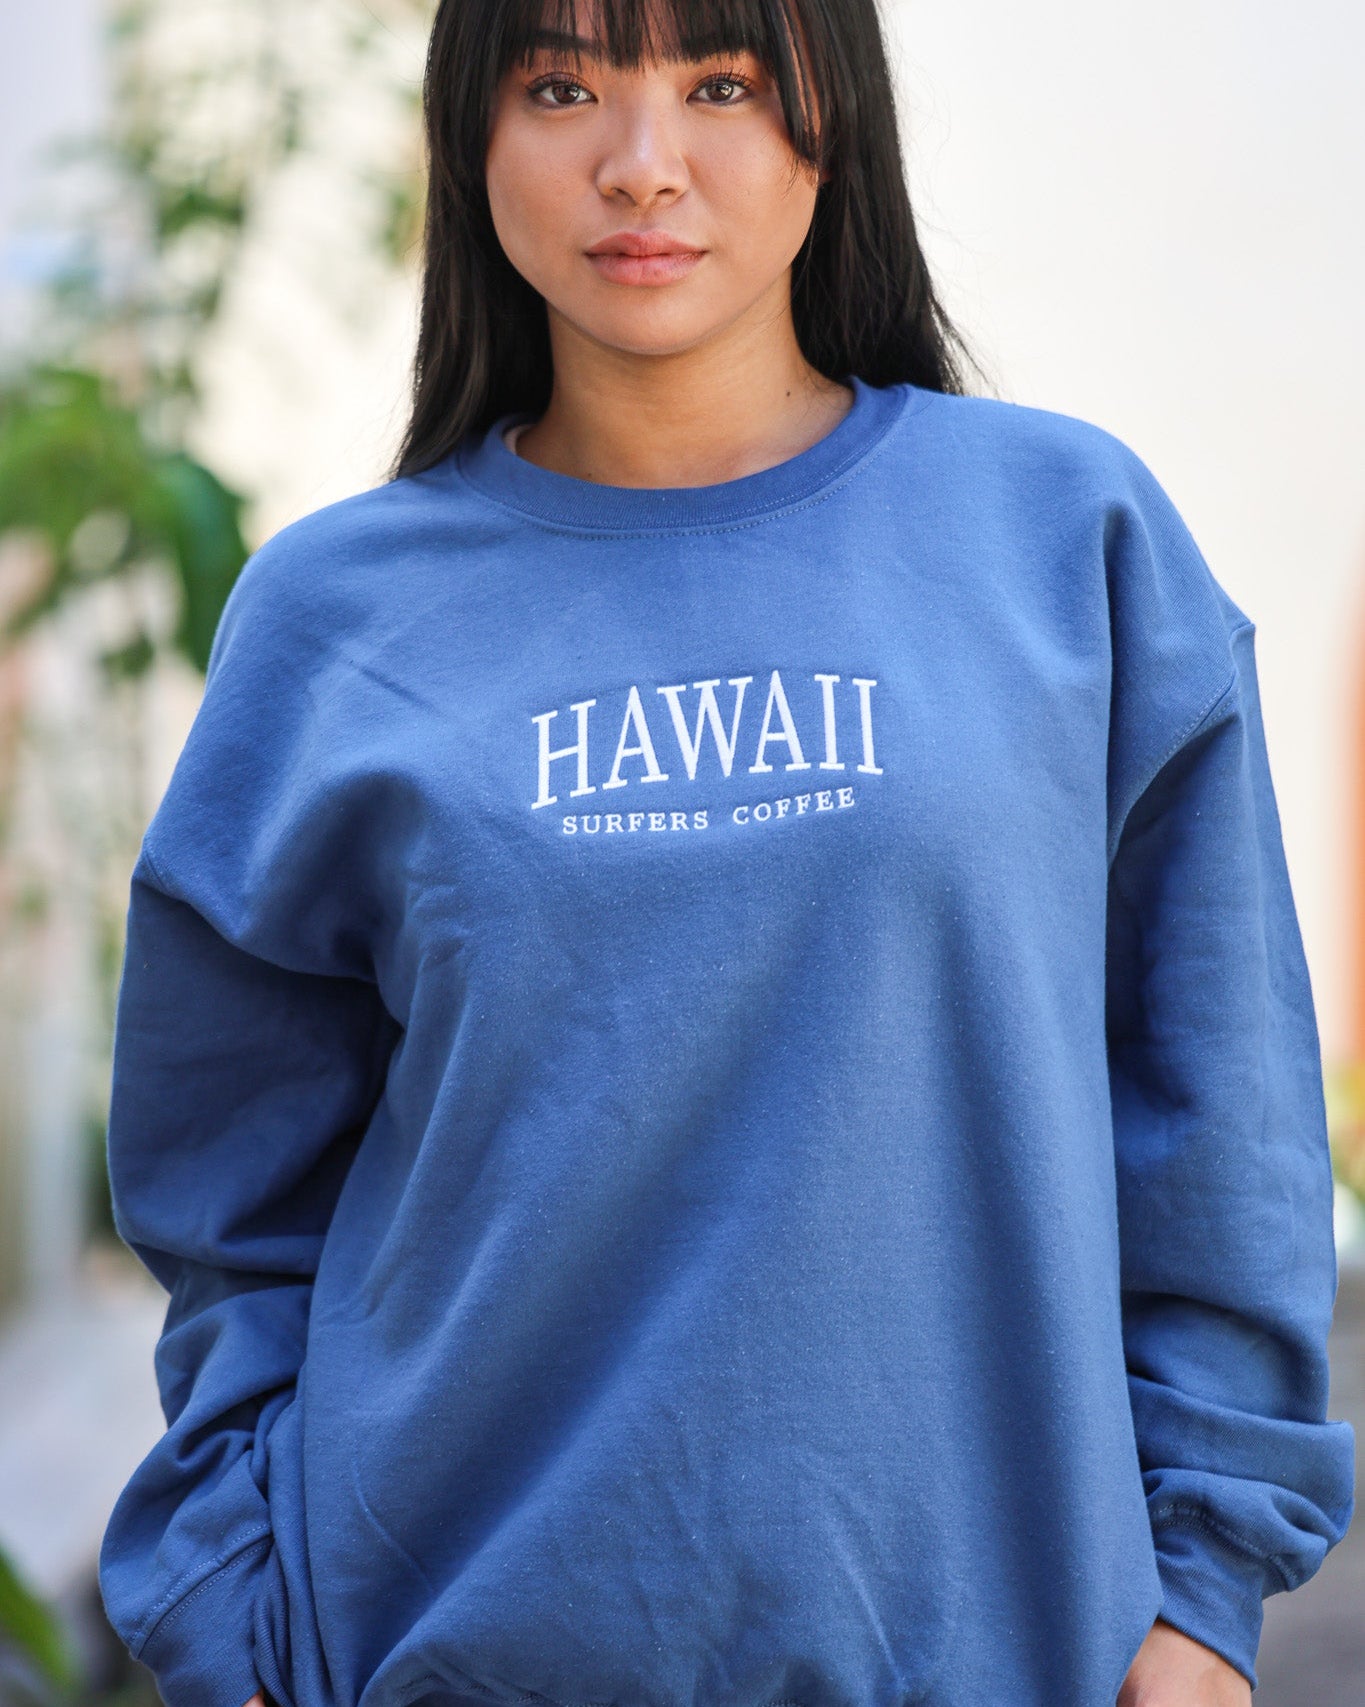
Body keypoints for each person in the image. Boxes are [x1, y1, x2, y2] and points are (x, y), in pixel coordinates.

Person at [96, 1, 1355, 1704]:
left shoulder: (1068, 539)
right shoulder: (335, 621)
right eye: (560, 86)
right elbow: (227, 1211)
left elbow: (1226, 1127)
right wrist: (229, 1621)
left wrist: (1198, 1599)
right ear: (470, 139)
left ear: (834, 120)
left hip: (991, 1652)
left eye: (720, 85)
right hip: (434, 1652)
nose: (640, 165)